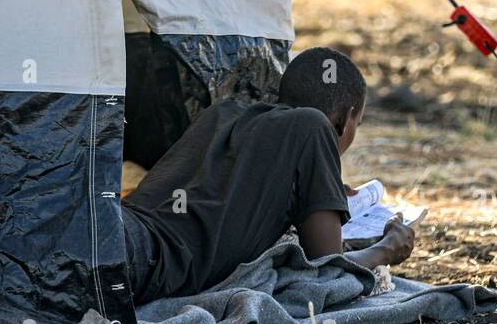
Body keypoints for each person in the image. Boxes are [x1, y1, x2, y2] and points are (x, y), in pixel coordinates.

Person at [121, 47, 415, 303]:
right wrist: (386, 250)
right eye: (358, 124)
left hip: (116, 224)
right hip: (136, 256)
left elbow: (224, 190)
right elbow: (327, 269)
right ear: (343, 118)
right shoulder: (315, 126)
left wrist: (317, 190)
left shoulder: (225, 113)